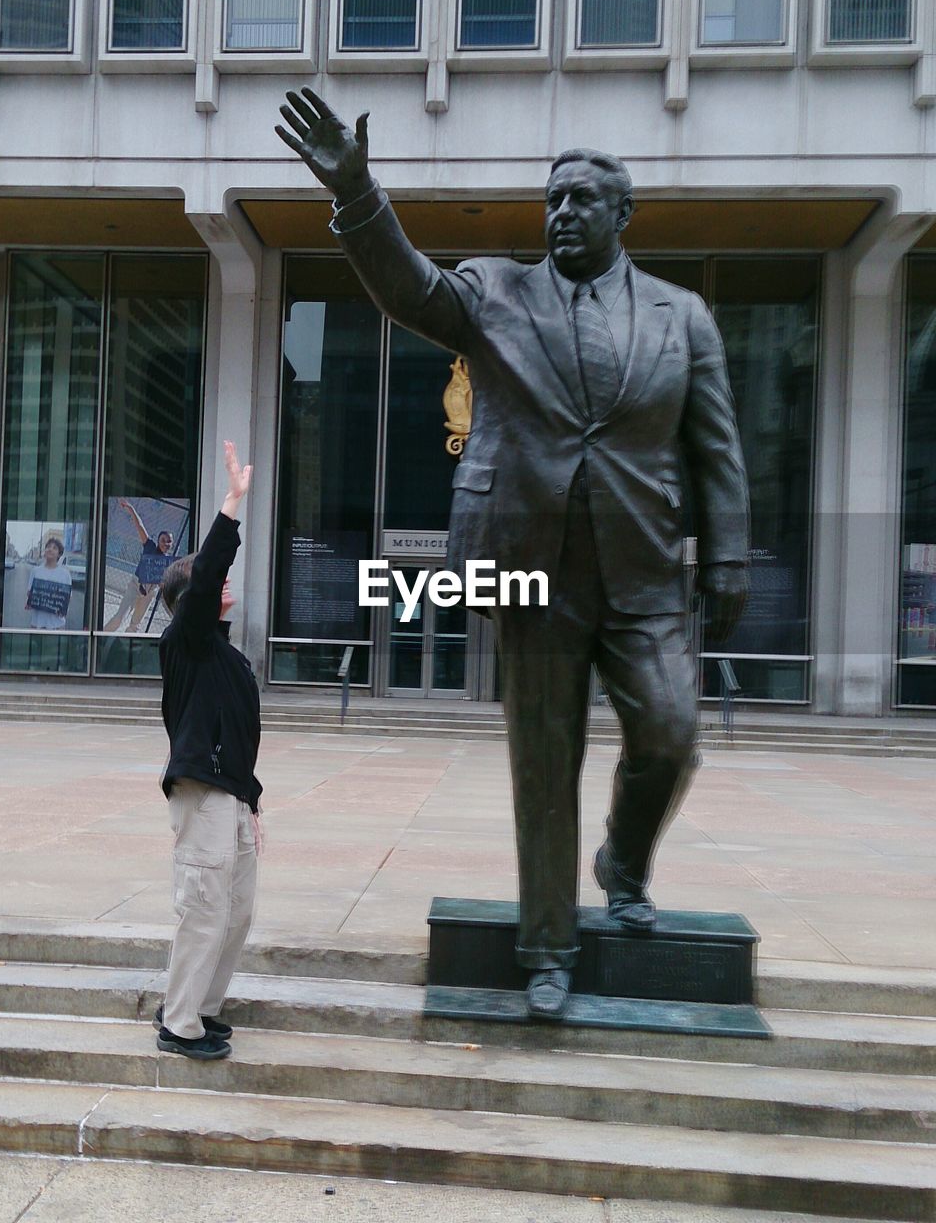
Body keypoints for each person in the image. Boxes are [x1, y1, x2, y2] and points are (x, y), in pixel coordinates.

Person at [276, 89, 751, 1019]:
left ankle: (622, 857)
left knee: (670, 732)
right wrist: (357, 192)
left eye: (582, 199)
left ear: (623, 215)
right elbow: (408, 286)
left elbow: (717, 446)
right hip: (530, 563)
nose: (563, 212)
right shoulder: (497, 291)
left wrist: (727, 554)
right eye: (553, 199)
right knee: (543, 756)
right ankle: (546, 945)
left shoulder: (681, 316)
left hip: (645, 562)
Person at [155, 441, 261, 1060]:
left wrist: (254, 804)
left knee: (237, 910)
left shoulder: (227, 657)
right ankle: (178, 1024)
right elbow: (204, 582)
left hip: (231, 795)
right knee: (203, 908)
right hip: (200, 794)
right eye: (212, 580)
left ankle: (203, 1008)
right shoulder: (185, 641)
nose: (224, 585)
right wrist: (231, 504)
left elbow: (240, 740)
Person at [105, 501, 175, 633]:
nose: (166, 543)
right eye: (163, 540)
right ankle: (101, 637)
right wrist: (131, 509)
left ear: (172, 543)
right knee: (119, 619)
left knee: (135, 626)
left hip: (150, 593)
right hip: (136, 586)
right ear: (158, 540)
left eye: (169, 541)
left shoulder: (169, 562)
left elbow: (166, 583)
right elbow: (140, 526)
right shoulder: (150, 547)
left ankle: (127, 647)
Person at [25, 537, 73, 630]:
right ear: (45, 551)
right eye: (48, 547)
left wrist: (62, 609)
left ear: (59, 554)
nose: (50, 549)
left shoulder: (65, 574)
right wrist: (31, 601)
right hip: (37, 622)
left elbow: (68, 597)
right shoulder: (35, 571)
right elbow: (29, 591)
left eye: (54, 548)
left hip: (57, 624)